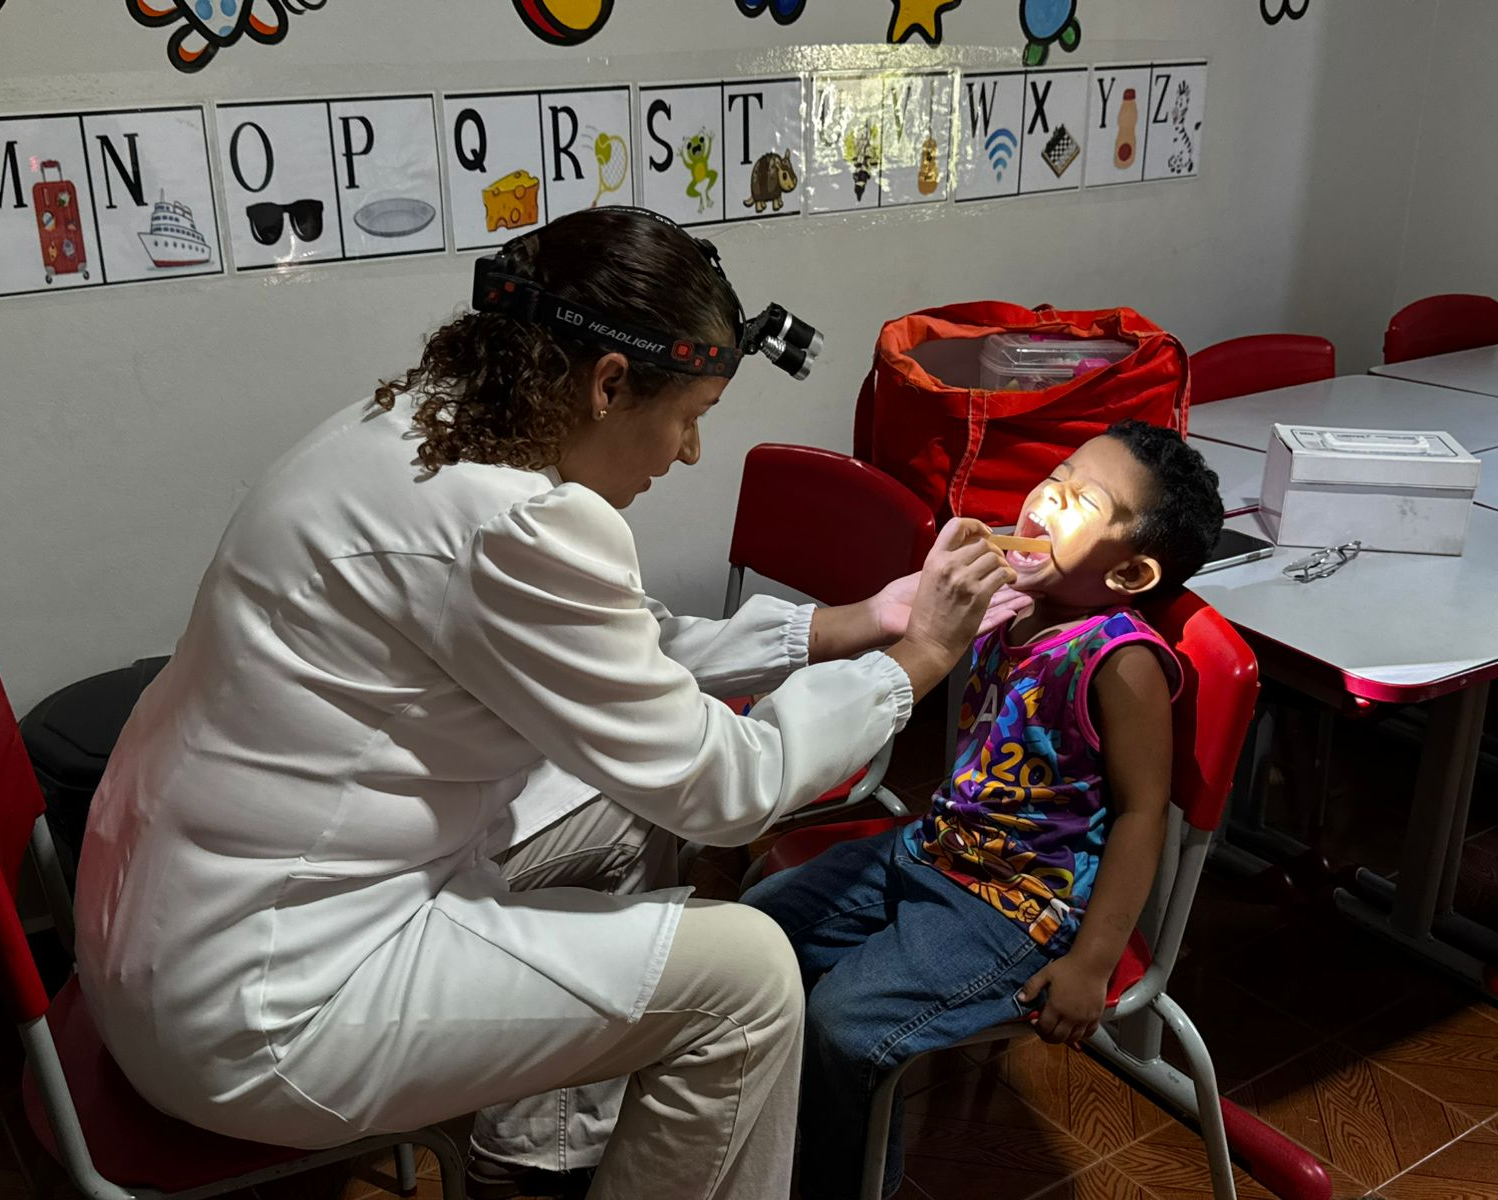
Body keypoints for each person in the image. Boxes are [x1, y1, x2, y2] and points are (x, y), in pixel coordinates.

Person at [72, 207, 1020, 1200]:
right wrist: (918, 660)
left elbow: (628, 657)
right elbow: (725, 792)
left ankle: (539, 1159)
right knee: (747, 979)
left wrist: (861, 619)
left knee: (616, 800)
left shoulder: (409, 424)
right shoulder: (517, 523)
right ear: (611, 384)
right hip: (258, 1005)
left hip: (162, 923)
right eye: (689, 415)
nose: (690, 452)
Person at [744, 421, 1224, 1200]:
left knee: (844, 1024)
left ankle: (855, 1182)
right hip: (934, 850)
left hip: (1020, 906)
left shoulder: (1121, 659)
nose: (1047, 497)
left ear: (1132, 571)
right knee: (752, 935)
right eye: (1057, 475)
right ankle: (775, 1140)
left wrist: (1092, 963)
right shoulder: (1012, 605)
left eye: (1082, 501)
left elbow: (1143, 813)